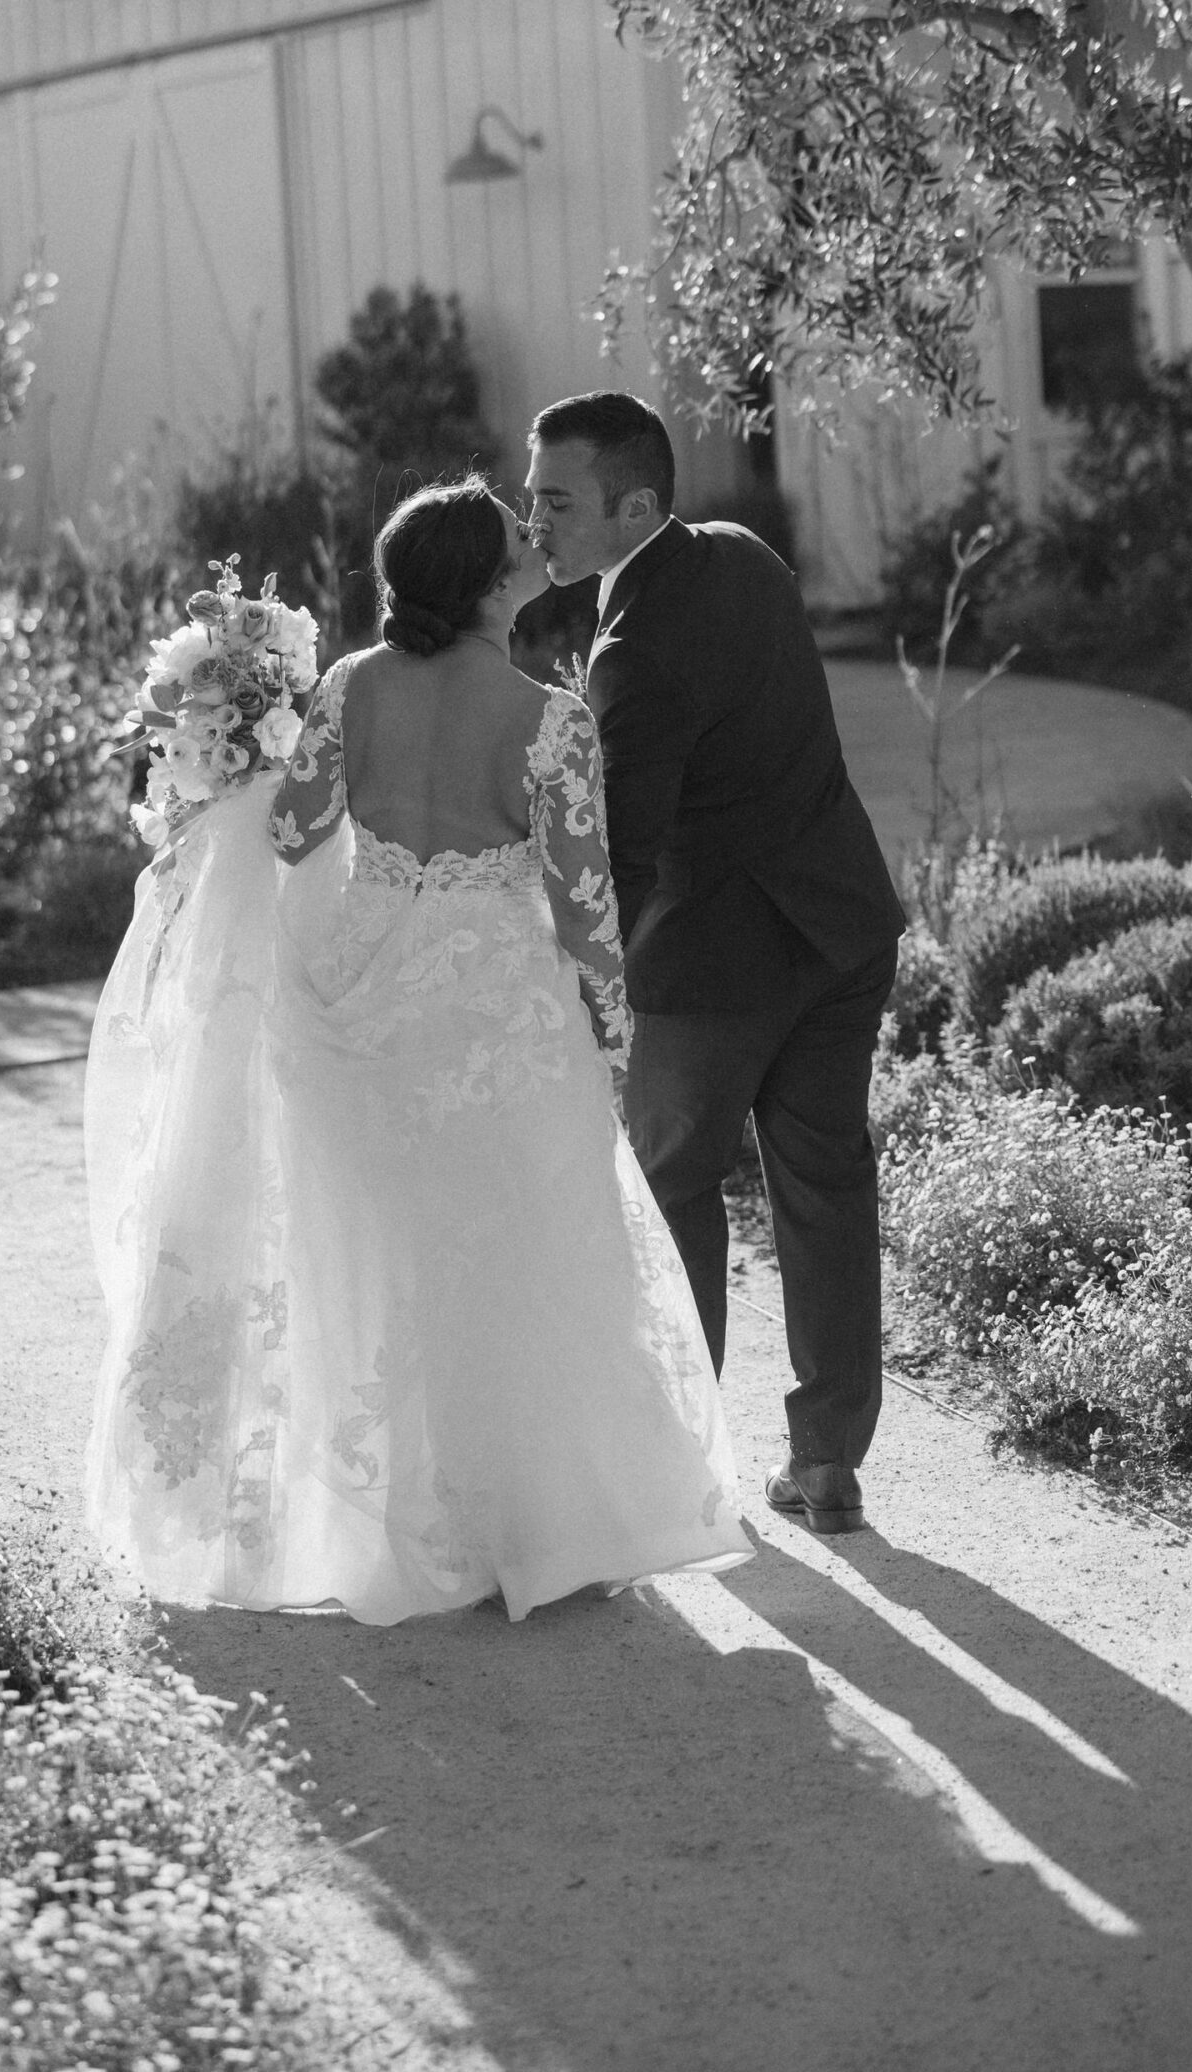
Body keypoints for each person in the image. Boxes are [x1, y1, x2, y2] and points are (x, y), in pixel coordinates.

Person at [84, 476, 750, 1624]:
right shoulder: (551, 717)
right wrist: (612, 1028)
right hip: (502, 1013)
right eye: (515, 544)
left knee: (383, 1255)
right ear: (491, 584)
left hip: (367, 990)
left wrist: (239, 759)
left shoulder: (349, 686)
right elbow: (583, 900)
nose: (534, 548)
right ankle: (526, 1530)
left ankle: (400, 1518)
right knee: (524, 1253)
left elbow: (293, 830)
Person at [526, 394, 906, 1535]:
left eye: (555, 499)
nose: (530, 518)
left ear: (633, 505)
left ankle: (686, 1460)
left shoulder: (633, 655)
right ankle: (829, 1460)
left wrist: (576, 981)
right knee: (827, 1185)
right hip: (840, 927)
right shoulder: (746, 557)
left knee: (674, 1189)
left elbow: (625, 856)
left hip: (716, 969)